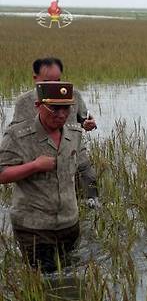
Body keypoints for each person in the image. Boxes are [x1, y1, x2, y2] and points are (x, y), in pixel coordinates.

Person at [0, 82, 85, 273]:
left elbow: (76, 172)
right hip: (34, 227)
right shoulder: (18, 135)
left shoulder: (75, 133)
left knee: (69, 276)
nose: (62, 114)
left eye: (66, 108)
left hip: (69, 224)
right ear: (38, 106)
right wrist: (34, 166)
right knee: (44, 282)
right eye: (55, 108)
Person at [11, 57, 99, 204]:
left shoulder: (73, 95)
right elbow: (15, 135)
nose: (53, 86)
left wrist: (87, 124)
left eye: (57, 80)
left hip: (76, 155)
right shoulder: (24, 102)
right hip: (44, 160)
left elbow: (84, 119)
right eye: (46, 82)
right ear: (35, 78)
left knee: (90, 190)